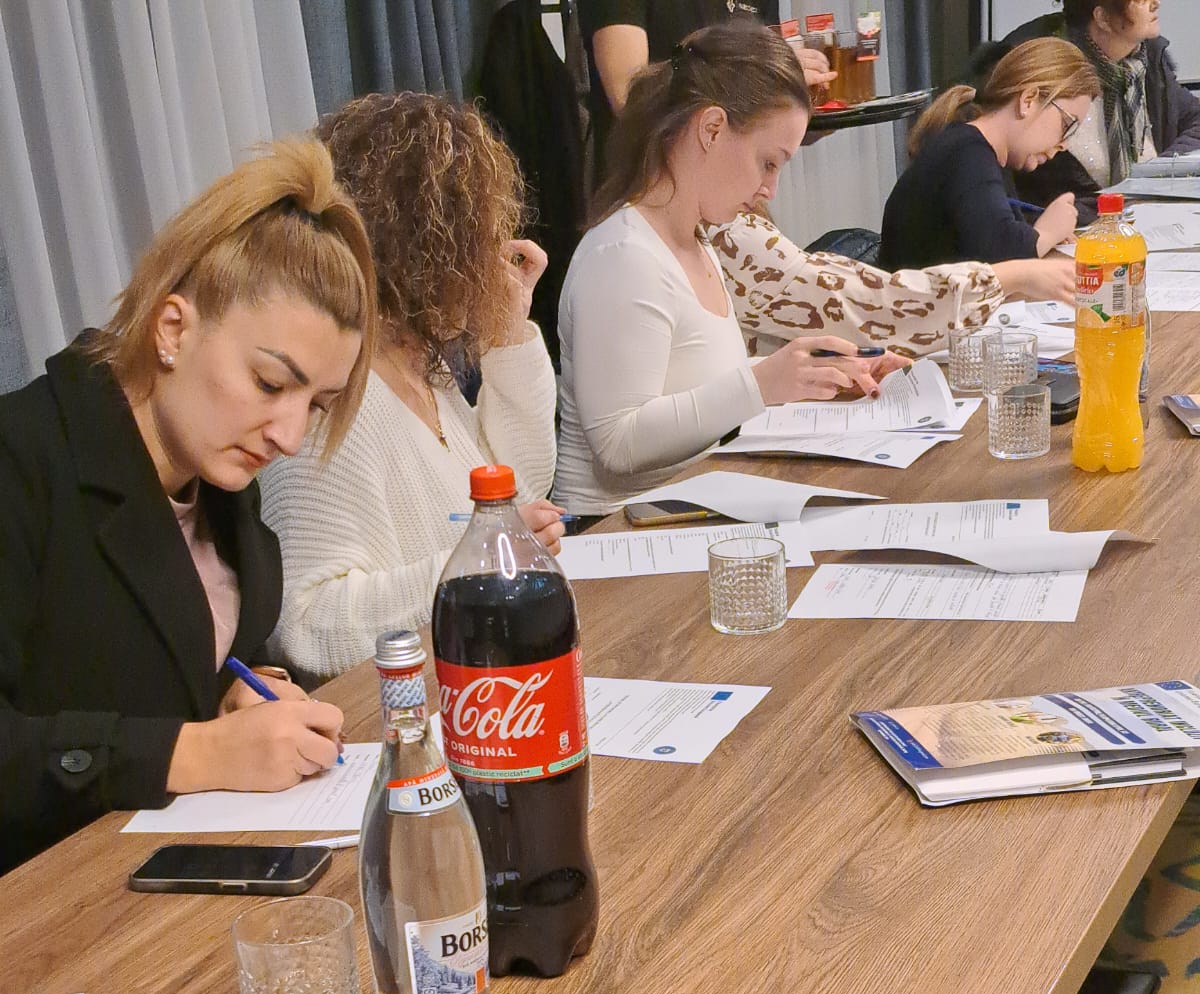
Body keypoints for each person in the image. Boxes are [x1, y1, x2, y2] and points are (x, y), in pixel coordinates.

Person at [0, 139, 375, 876]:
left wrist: (239, 692)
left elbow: (169, 661)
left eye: (317, 405)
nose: (290, 435)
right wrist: (195, 751)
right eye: (270, 384)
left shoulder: (221, 481)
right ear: (172, 329)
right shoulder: (22, 459)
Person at [262, 94, 562, 681]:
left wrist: (508, 335)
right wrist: (475, 566)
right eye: (481, 243)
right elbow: (305, 625)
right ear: (426, 253)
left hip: (469, 680)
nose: (495, 263)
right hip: (392, 713)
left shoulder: (424, 372)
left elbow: (522, 490)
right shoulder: (334, 397)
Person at [555, 24, 900, 516]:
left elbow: (700, 388)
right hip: (614, 532)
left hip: (679, 510)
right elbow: (617, 442)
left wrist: (817, 375)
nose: (770, 189)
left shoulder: (694, 241)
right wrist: (763, 384)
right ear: (712, 129)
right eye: (768, 162)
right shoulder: (623, 255)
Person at [713, 209, 1078, 358]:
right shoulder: (731, 231)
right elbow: (883, 308)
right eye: (768, 161)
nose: (771, 186)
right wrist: (1019, 274)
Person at [878, 38, 1099, 272]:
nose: (1063, 144)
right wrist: (1046, 233)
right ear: (1028, 100)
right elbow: (1000, 253)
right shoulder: (967, 153)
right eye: (1067, 124)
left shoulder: (982, 151)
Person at [578, 0, 836, 173]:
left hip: (737, 202)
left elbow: (761, 118)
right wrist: (765, 76)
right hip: (651, 194)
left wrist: (806, 106)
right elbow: (630, 100)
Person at [1000, 0, 1200, 212]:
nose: (1155, 3)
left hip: (1145, 215)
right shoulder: (1043, 70)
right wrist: (1102, 208)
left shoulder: (1145, 59)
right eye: (1139, 0)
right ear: (1103, 18)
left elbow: (1195, 119)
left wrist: (1160, 173)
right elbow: (1023, 191)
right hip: (1068, 224)